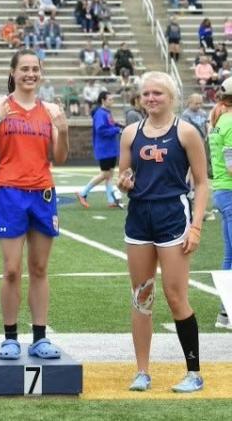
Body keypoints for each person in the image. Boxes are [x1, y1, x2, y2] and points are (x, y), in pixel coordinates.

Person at [0, 49, 70, 361]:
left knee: (39, 268)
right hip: (9, 192)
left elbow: (61, 157)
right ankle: (10, 337)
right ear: (13, 72)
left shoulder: (51, 109)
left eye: (35, 69)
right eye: (24, 68)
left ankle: (40, 337)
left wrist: (64, 130)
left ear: (41, 73)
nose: (30, 74)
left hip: (42, 192)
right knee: (12, 270)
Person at [116, 72, 208, 393]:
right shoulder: (130, 133)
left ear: (171, 97)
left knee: (175, 296)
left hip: (173, 217)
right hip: (139, 219)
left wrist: (196, 226)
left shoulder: (186, 132)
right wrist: (124, 182)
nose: (151, 98)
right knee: (142, 296)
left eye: (158, 93)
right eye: (146, 94)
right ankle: (142, 371)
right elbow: (123, 175)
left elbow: (202, 181)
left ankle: (194, 372)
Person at [209, 79, 232, 330]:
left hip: (223, 190)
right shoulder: (230, 122)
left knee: (230, 255)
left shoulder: (220, 120)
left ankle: (225, 312)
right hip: (230, 190)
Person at [77, 91, 123, 209]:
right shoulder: (100, 113)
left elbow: (109, 125)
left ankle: (111, 200)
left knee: (110, 175)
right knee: (105, 174)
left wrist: (117, 125)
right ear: (103, 100)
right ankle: (83, 193)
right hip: (104, 148)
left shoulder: (107, 113)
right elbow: (101, 130)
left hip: (111, 148)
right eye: (110, 99)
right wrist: (116, 130)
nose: (112, 101)